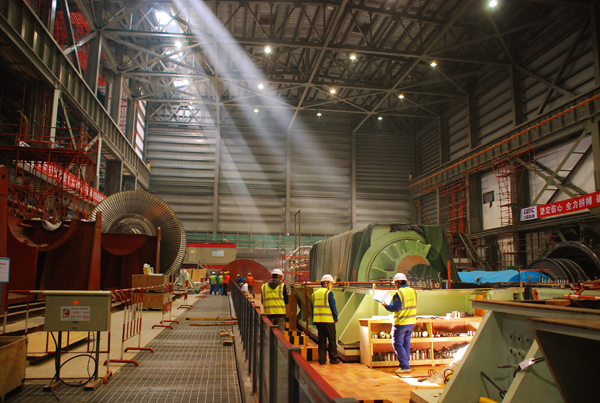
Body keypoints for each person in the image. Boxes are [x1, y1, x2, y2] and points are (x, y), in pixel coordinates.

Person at [381, 272, 417, 375]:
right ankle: (405, 364)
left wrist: (386, 306)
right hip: (411, 323)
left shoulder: (399, 293)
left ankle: (405, 366)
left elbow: (396, 308)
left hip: (401, 323)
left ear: (397, 283)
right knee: (406, 344)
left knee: (397, 344)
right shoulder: (413, 291)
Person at [312, 274, 340, 365]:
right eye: (331, 283)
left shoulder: (314, 294)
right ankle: (333, 359)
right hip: (328, 320)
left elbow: (312, 308)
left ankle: (322, 359)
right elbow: (333, 307)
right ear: (326, 283)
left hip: (318, 321)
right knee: (332, 340)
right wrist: (336, 318)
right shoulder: (328, 293)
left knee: (321, 340)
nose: (332, 286)